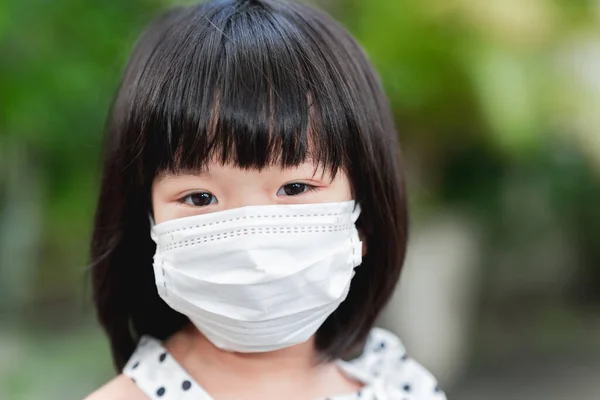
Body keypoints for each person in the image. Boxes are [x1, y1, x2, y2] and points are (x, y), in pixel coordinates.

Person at [86, 0, 446, 399]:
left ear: (365, 216)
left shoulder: (398, 388)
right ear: (146, 218)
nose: (251, 239)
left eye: (294, 188)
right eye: (200, 197)